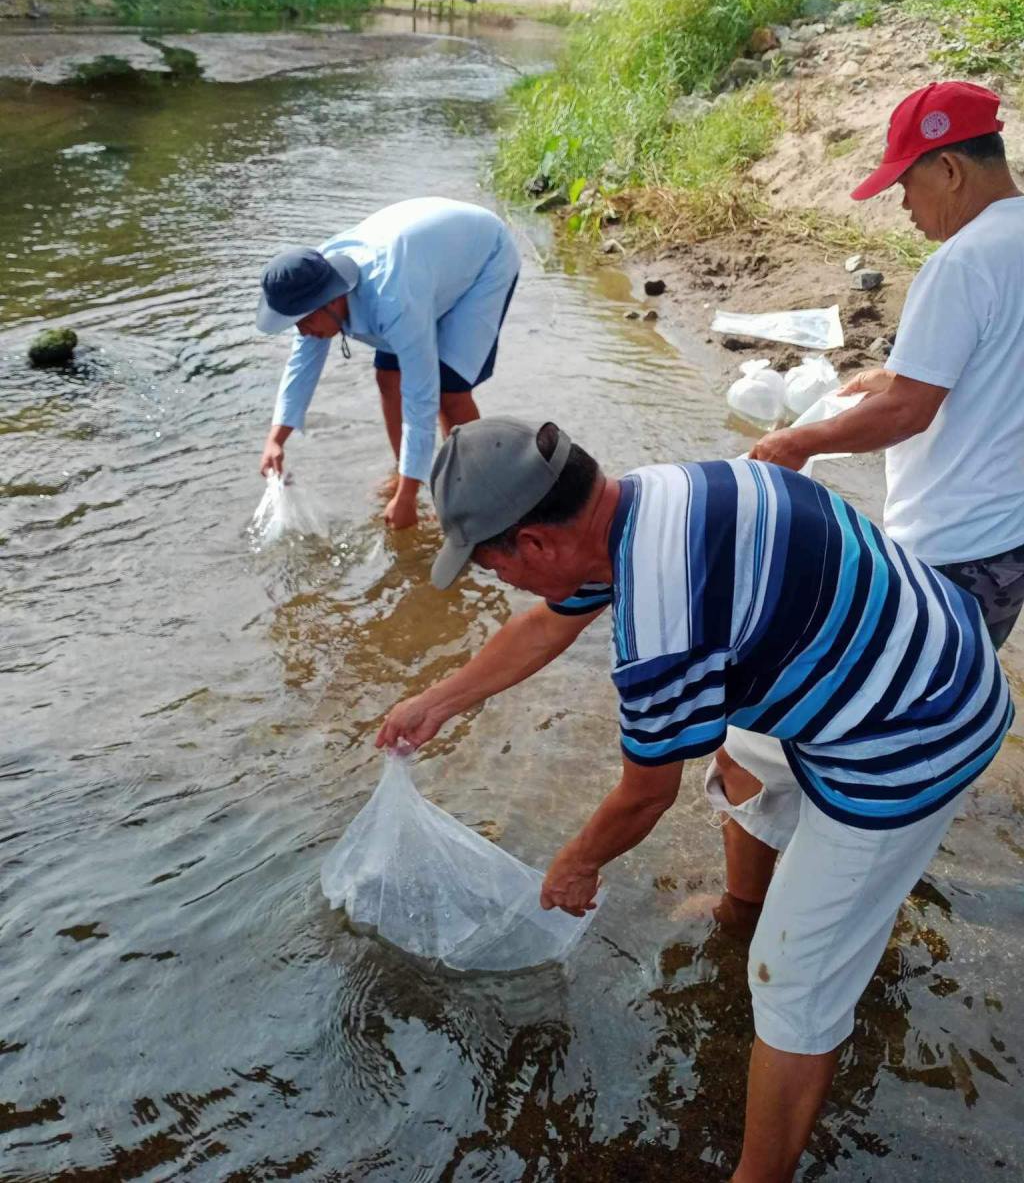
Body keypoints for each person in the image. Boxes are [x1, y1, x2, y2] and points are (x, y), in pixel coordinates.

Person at [375, 417, 1012, 1183]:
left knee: (792, 978)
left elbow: (646, 796)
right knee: (740, 755)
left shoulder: (660, 619)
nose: (500, 583)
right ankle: (741, 907)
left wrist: (576, 862)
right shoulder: (648, 497)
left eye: (490, 568)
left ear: (534, 544)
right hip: (902, 642)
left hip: (915, 730)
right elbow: (549, 621)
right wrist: (439, 701)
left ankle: (758, 1173)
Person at [750, 80, 1024, 649]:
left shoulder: (962, 261)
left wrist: (800, 443)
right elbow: (1001, 360)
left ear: (949, 169)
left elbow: (906, 413)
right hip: (1009, 537)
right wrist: (901, 375)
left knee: (897, 709)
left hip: (952, 544)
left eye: (905, 184)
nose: (902, 207)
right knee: (958, 686)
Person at [255, 197, 520, 528]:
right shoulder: (309, 280)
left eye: (304, 321)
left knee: (447, 392)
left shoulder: (393, 301)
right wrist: (275, 440)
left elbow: (421, 395)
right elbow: (301, 365)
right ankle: (404, 470)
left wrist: (408, 497)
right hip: (425, 265)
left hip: (482, 258)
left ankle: (479, 490)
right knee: (387, 377)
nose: (302, 331)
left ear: (332, 299)